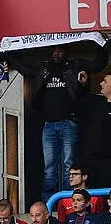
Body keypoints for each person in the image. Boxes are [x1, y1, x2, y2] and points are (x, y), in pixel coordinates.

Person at [33, 46, 89, 200]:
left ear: (66, 52)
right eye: (54, 50)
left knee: (68, 166)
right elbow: (24, 68)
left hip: (68, 122)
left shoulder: (73, 67)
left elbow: (97, 64)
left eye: (60, 50)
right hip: (49, 124)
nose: (56, 53)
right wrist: (5, 51)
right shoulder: (44, 68)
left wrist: (103, 45)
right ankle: (49, 205)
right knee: (49, 168)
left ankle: (69, 203)